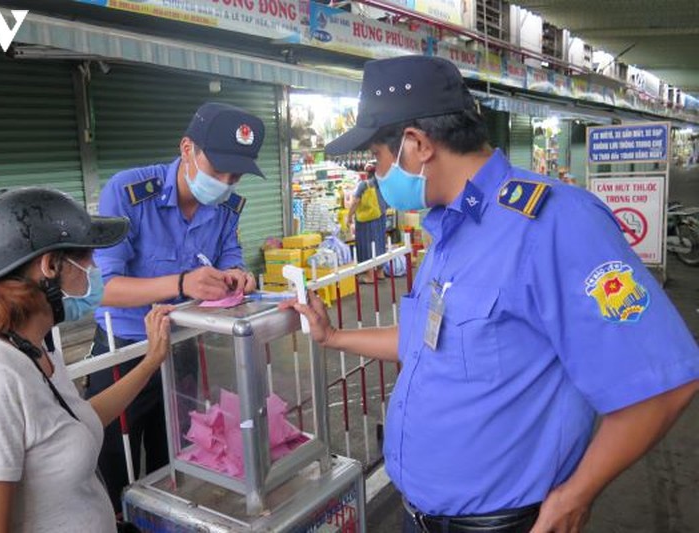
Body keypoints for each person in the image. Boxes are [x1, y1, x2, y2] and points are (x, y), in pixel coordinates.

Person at [286, 56, 699, 533]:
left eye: (377, 161)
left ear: (416, 145)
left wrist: (577, 495)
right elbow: (430, 340)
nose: (375, 176)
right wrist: (333, 336)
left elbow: (664, 381)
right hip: (420, 516)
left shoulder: (553, 224)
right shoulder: (449, 227)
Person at [0, 187, 173, 532]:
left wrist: (151, 360)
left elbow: (76, 422)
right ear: (51, 265)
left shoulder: (32, 348)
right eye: (88, 257)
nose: (96, 270)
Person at [88, 102, 263, 512]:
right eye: (216, 169)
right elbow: (104, 288)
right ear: (187, 148)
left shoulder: (226, 208)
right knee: (118, 463)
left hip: (183, 346)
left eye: (235, 175)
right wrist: (181, 283)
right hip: (125, 352)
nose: (224, 182)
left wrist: (240, 275)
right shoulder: (128, 193)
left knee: (179, 457)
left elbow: (230, 258)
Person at [346, 165, 388, 283]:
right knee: (380, 242)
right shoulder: (382, 183)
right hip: (380, 216)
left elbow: (355, 202)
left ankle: (369, 276)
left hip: (367, 219)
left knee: (367, 244)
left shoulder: (364, 184)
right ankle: (380, 272)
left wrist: (349, 216)